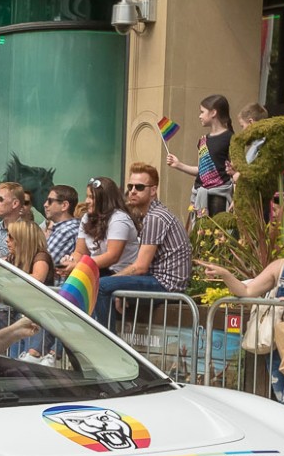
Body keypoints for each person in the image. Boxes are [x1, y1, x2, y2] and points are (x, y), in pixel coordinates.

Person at [201, 217, 284, 410]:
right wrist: (225, 274)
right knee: (281, 399)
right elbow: (248, 291)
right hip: (276, 343)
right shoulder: (281, 266)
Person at [92, 163, 190, 330]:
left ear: (153, 190)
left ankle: (109, 343)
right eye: (130, 186)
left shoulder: (155, 217)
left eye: (139, 187)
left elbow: (140, 267)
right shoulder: (151, 215)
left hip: (166, 285)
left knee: (101, 286)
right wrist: (119, 287)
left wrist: (115, 283)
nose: (132, 191)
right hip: (157, 279)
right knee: (99, 278)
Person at [165, 94, 234, 216]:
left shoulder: (231, 139)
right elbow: (201, 171)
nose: (199, 116)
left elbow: (235, 171)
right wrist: (178, 164)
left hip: (219, 197)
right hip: (199, 196)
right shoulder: (203, 140)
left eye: (202, 112)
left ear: (213, 113)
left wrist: (236, 198)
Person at [41, 185, 80, 267]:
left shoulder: (65, 231)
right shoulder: (70, 227)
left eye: (50, 201)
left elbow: (41, 263)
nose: (45, 204)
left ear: (64, 206)